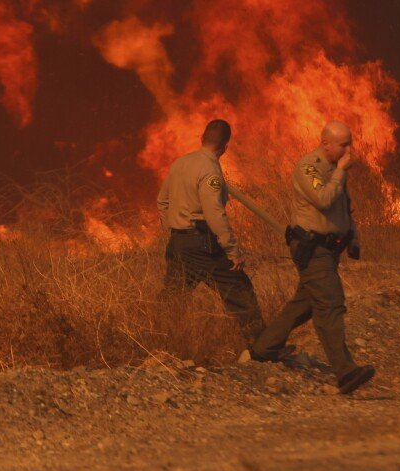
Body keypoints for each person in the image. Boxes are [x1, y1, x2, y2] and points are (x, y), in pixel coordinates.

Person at [251, 121, 376, 394]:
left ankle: (264, 347)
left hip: (330, 250)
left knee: (306, 303)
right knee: (329, 303)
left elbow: (344, 210)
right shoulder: (309, 167)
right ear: (325, 143)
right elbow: (322, 199)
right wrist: (341, 173)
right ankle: (345, 372)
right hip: (312, 248)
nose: (348, 149)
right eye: (343, 144)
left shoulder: (335, 171)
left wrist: (353, 239)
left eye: (349, 143)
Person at [157, 119, 266, 347]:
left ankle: (159, 342)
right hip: (202, 243)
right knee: (238, 287)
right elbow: (214, 213)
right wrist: (232, 249)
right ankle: (263, 347)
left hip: (178, 242)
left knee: (174, 295)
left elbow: (162, 201)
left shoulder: (180, 163)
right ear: (225, 147)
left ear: (201, 138)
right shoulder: (210, 170)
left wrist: (177, 227)